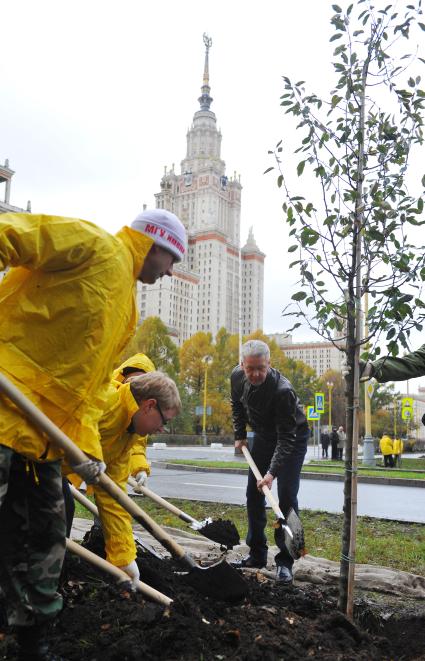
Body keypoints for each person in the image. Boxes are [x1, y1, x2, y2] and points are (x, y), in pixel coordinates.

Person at [0, 208, 186, 660]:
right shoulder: (94, 244)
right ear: (155, 245)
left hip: (41, 440)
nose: (172, 271)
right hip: (4, 413)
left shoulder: (126, 305)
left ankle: (33, 645)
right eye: (172, 259)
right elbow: (13, 233)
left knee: (46, 541)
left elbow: (85, 392)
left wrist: (85, 452)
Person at [84, 371, 181, 585]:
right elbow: (72, 421)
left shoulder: (126, 437)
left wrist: (124, 558)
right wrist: (85, 451)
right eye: (164, 421)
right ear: (148, 406)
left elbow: (114, 499)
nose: (161, 429)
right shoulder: (106, 400)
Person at [230, 340, 310, 585]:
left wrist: (271, 474)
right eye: (250, 368)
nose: (255, 374)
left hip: (292, 439)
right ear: (242, 365)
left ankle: (285, 561)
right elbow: (237, 405)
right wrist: (240, 434)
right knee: (253, 495)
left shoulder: (283, 391)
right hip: (263, 435)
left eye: (260, 368)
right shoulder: (236, 377)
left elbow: (286, 438)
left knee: (285, 498)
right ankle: (256, 554)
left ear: (269, 364)